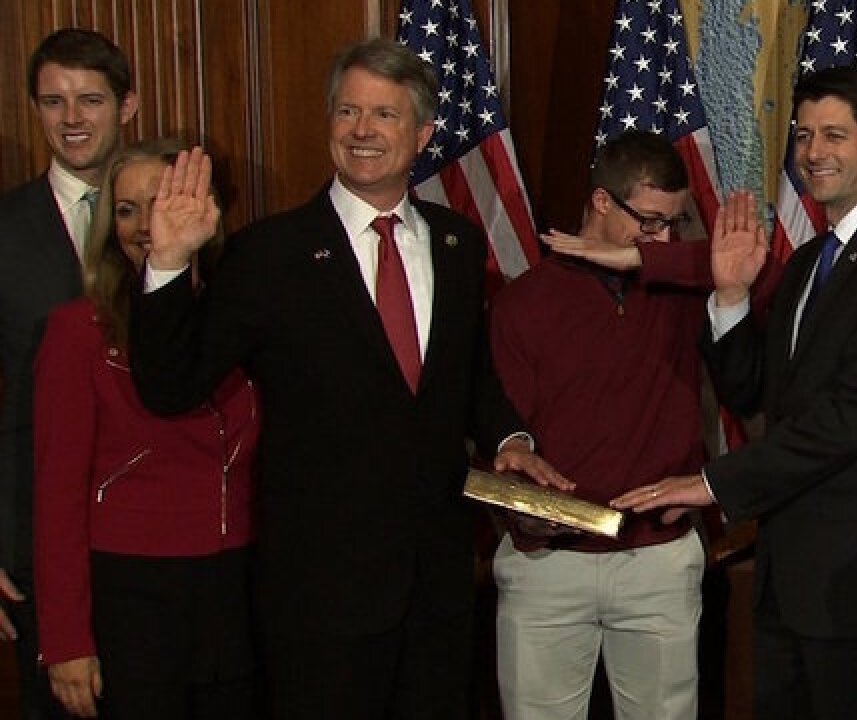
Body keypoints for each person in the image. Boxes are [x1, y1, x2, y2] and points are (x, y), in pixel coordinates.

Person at [128, 39, 565, 718]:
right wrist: (167, 266)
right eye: (347, 111)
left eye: (384, 116)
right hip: (318, 601)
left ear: (420, 134)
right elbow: (170, 384)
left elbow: (469, 377)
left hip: (437, 592)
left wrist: (508, 438)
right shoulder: (270, 253)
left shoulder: (457, 244)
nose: (362, 131)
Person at [612, 65, 857, 719]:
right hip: (786, 579)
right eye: (802, 136)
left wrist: (712, 484)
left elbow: (850, 419)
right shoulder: (803, 264)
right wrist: (733, 296)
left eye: (834, 135)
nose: (813, 153)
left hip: (856, 585)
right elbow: (754, 395)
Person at [488, 130, 712, 719]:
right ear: (602, 203)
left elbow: (754, 272)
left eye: (674, 225)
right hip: (547, 567)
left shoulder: (679, 289)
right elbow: (499, 428)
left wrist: (641, 255)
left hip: (658, 562)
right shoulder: (525, 302)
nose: (663, 237)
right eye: (650, 222)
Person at [33, 139, 258, 719]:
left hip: (235, 591)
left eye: (160, 201)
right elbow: (56, 495)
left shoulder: (238, 318)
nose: (143, 224)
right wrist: (65, 641)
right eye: (127, 210)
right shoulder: (77, 331)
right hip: (131, 598)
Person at [0, 28, 138, 720]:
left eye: (89, 99)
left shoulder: (169, 218)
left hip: (153, 539)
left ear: (127, 105)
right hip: (33, 535)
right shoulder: (4, 229)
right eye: (53, 102)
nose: (72, 119)